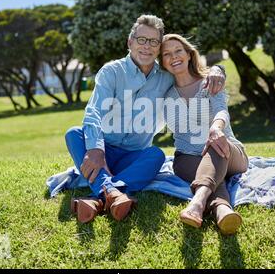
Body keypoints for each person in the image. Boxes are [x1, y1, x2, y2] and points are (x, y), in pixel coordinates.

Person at [65, 15, 226, 223]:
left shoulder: (167, 77)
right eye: (141, 39)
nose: (146, 47)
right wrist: (96, 150)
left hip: (135, 157)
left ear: (159, 48)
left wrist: (217, 69)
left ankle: (101, 196)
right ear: (130, 42)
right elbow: (93, 111)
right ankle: (114, 193)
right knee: (73, 134)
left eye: (153, 42)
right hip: (103, 152)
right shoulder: (111, 72)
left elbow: (194, 73)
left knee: (156, 155)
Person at [160, 34, 248, 235]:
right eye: (167, 54)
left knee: (216, 144)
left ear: (189, 54)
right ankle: (222, 210)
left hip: (228, 151)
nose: (174, 56)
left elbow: (221, 109)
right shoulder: (165, 94)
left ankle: (198, 202)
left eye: (178, 51)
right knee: (204, 169)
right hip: (187, 157)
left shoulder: (209, 82)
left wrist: (217, 127)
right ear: (162, 62)